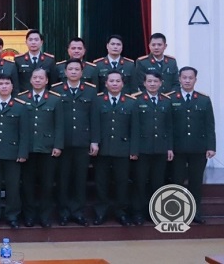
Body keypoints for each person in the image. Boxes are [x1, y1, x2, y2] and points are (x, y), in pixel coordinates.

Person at [52, 58, 98, 226]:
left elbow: (94, 117)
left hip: (82, 142)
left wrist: (94, 141)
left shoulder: (90, 91)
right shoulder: (56, 90)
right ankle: (63, 213)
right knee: (63, 179)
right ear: (65, 72)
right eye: (70, 69)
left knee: (80, 179)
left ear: (82, 72)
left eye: (76, 69)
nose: (73, 72)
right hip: (62, 143)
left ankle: (78, 212)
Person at [92, 71, 139, 226]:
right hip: (103, 149)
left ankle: (121, 212)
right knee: (101, 182)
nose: (114, 84)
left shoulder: (131, 102)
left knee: (122, 182)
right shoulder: (98, 100)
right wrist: (94, 142)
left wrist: (133, 150)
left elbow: (134, 129)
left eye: (118, 81)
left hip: (123, 149)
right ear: (106, 84)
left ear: (123, 84)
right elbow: (94, 123)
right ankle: (101, 212)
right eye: (111, 81)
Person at [0, 73, 30, 229]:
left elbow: (24, 132)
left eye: (7, 83)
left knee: (13, 187)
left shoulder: (20, 106)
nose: (4, 86)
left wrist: (22, 153)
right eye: (1, 84)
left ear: (12, 86)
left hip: (13, 153)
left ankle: (12, 216)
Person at [171, 66, 216, 224]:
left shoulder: (204, 99)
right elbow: (167, 126)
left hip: (198, 148)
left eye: (190, 78)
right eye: (184, 77)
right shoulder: (171, 99)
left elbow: (209, 125)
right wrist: (169, 147)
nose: (187, 81)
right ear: (179, 79)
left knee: (196, 182)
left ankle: (195, 211)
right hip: (177, 148)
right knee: (177, 181)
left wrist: (211, 146)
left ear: (195, 80)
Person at [20, 67, 64, 228]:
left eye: (41, 78)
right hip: (28, 148)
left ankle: (45, 216)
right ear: (30, 80)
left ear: (46, 81)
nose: (37, 80)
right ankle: (29, 216)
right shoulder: (22, 98)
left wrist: (58, 145)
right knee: (28, 184)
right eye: (35, 78)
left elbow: (59, 125)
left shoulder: (55, 99)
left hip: (48, 148)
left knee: (47, 184)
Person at [131, 72, 173, 225]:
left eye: (155, 81)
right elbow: (134, 127)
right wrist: (134, 150)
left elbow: (169, 127)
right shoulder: (136, 100)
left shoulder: (166, 101)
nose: (152, 84)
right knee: (140, 182)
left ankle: (154, 212)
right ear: (144, 83)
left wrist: (169, 148)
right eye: (149, 81)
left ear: (161, 83)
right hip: (142, 149)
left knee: (157, 182)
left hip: (160, 149)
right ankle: (138, 213)